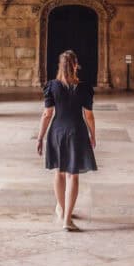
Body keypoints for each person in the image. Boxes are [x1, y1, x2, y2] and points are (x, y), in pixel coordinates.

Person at [36, 50, 97, 231]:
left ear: (60, 66)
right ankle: (67, 219)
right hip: (77, 132)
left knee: (59, 172)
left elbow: (47, 114)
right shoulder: (84, 88)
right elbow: (89, 115)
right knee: (73, 175)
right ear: (76, 65)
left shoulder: (52, 86)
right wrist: (93, 134)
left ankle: (62, 211)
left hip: (57, 132)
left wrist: (40, 137)